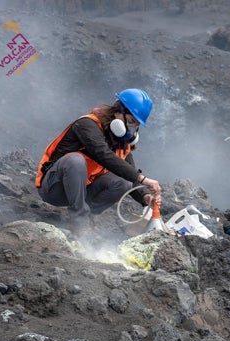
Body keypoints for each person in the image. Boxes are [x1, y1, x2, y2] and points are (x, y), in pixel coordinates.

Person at [35, 88, 161, 239]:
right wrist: (144, 179)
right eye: (131, 121)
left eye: (135, 125)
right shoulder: (87, 125)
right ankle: (79, 222)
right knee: (75, 160)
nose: (131, 128)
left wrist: (145, 196)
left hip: (82, 190)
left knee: (123, 182)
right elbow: (103, 155)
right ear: (119, 111)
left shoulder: (121, 142)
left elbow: (129, 172)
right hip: (54, 189)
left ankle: (86, 219)